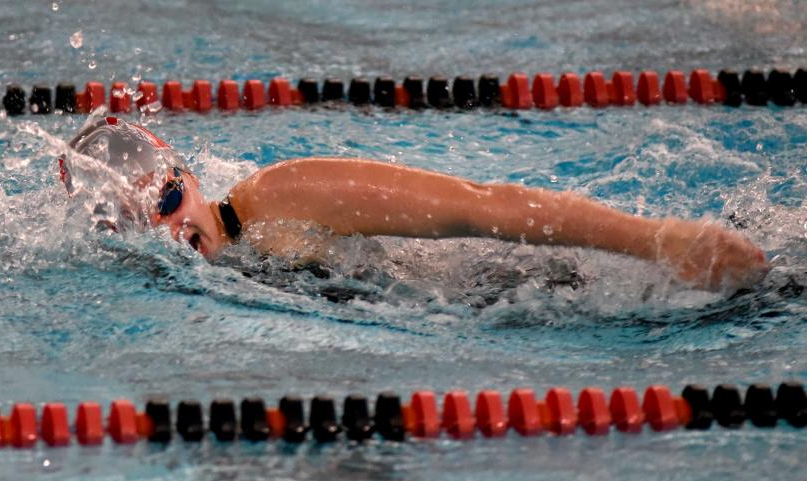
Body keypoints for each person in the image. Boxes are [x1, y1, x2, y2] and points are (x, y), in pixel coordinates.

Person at [60, 117, 769, 292]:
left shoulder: (279, 197)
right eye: (147, 221)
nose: (177, 228)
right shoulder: (204, 273)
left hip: (539, 288)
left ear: (185, 169)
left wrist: (663, 239)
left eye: (171, 197)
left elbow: (483, 206)